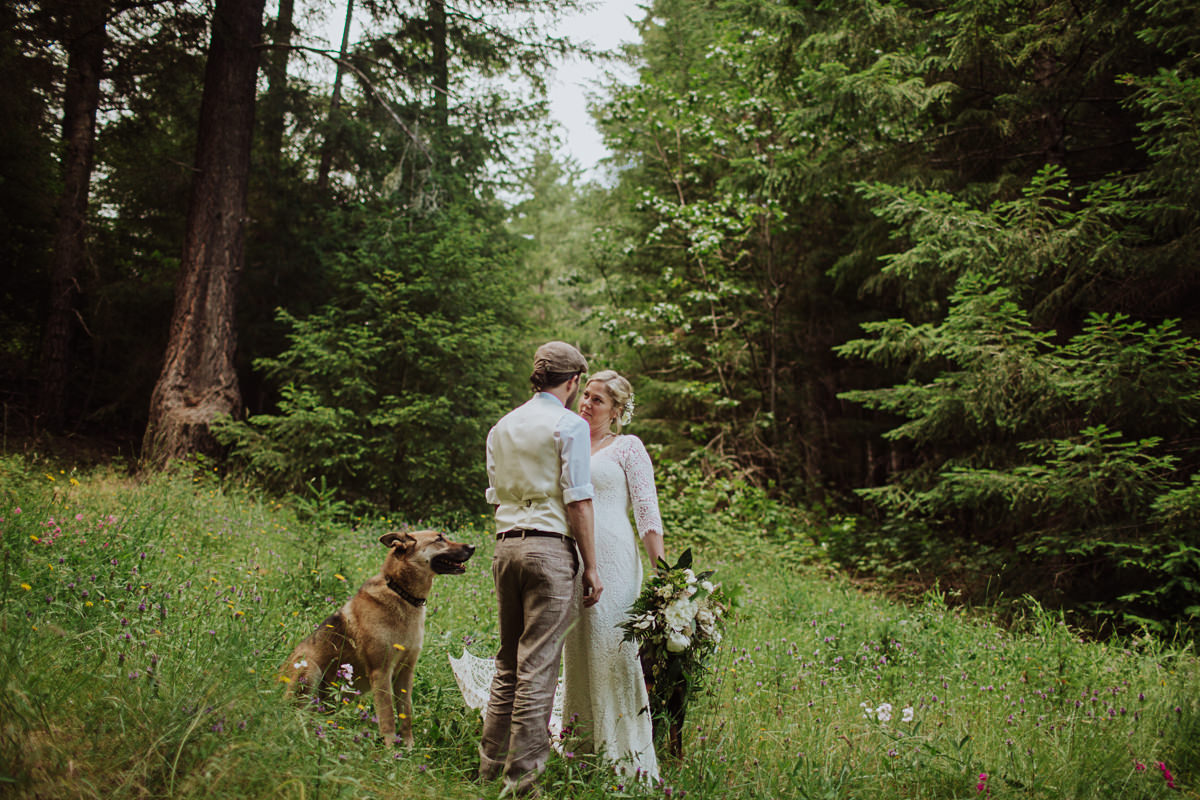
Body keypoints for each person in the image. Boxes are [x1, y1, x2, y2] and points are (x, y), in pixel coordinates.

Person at [478, 341, 604, 797]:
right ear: (573, 381)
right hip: (549, 549)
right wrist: (591, 567)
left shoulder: (501, 427)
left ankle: (489, 768)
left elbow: (496, 497)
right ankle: (522, 782)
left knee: (508, 664)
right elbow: (578, 500)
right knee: (538, 668)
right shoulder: (569, 425)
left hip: (505, 548)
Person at [562, 369, 664, 782]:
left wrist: (665, 575)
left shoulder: (628, 448)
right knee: (578, 647)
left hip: (615, 559)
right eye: (585, 395)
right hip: (571, 557)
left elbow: (647, 512)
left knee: (612, 647)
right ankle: (580, 746)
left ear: (617, 410)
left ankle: (625, 752)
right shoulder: (567, 441)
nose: (586, 403)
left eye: (598, 399)